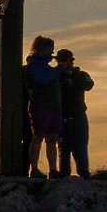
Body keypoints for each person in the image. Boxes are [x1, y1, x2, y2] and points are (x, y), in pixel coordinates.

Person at [23, 35, 63, 177]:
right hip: (40, 105)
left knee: (52, 138)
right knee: (38, 136)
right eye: (49, 49)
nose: (52, 52)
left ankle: (53, 170)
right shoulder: (33, 65)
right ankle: (34, 169)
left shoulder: (48, 67)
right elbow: (42, 79)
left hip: (53, 106)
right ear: (41, 48)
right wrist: (59, 69)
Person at [56, 48, 94, 176]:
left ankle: (84, 177)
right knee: (63, 150)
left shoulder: (80, 75)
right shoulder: (56, 76)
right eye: (61, 61)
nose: (64, 63)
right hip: (62, 117)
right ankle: (63, 177)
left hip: (78, 117)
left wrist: (73, 76)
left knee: (80, 149)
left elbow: (89, 85)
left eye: (66, 60)